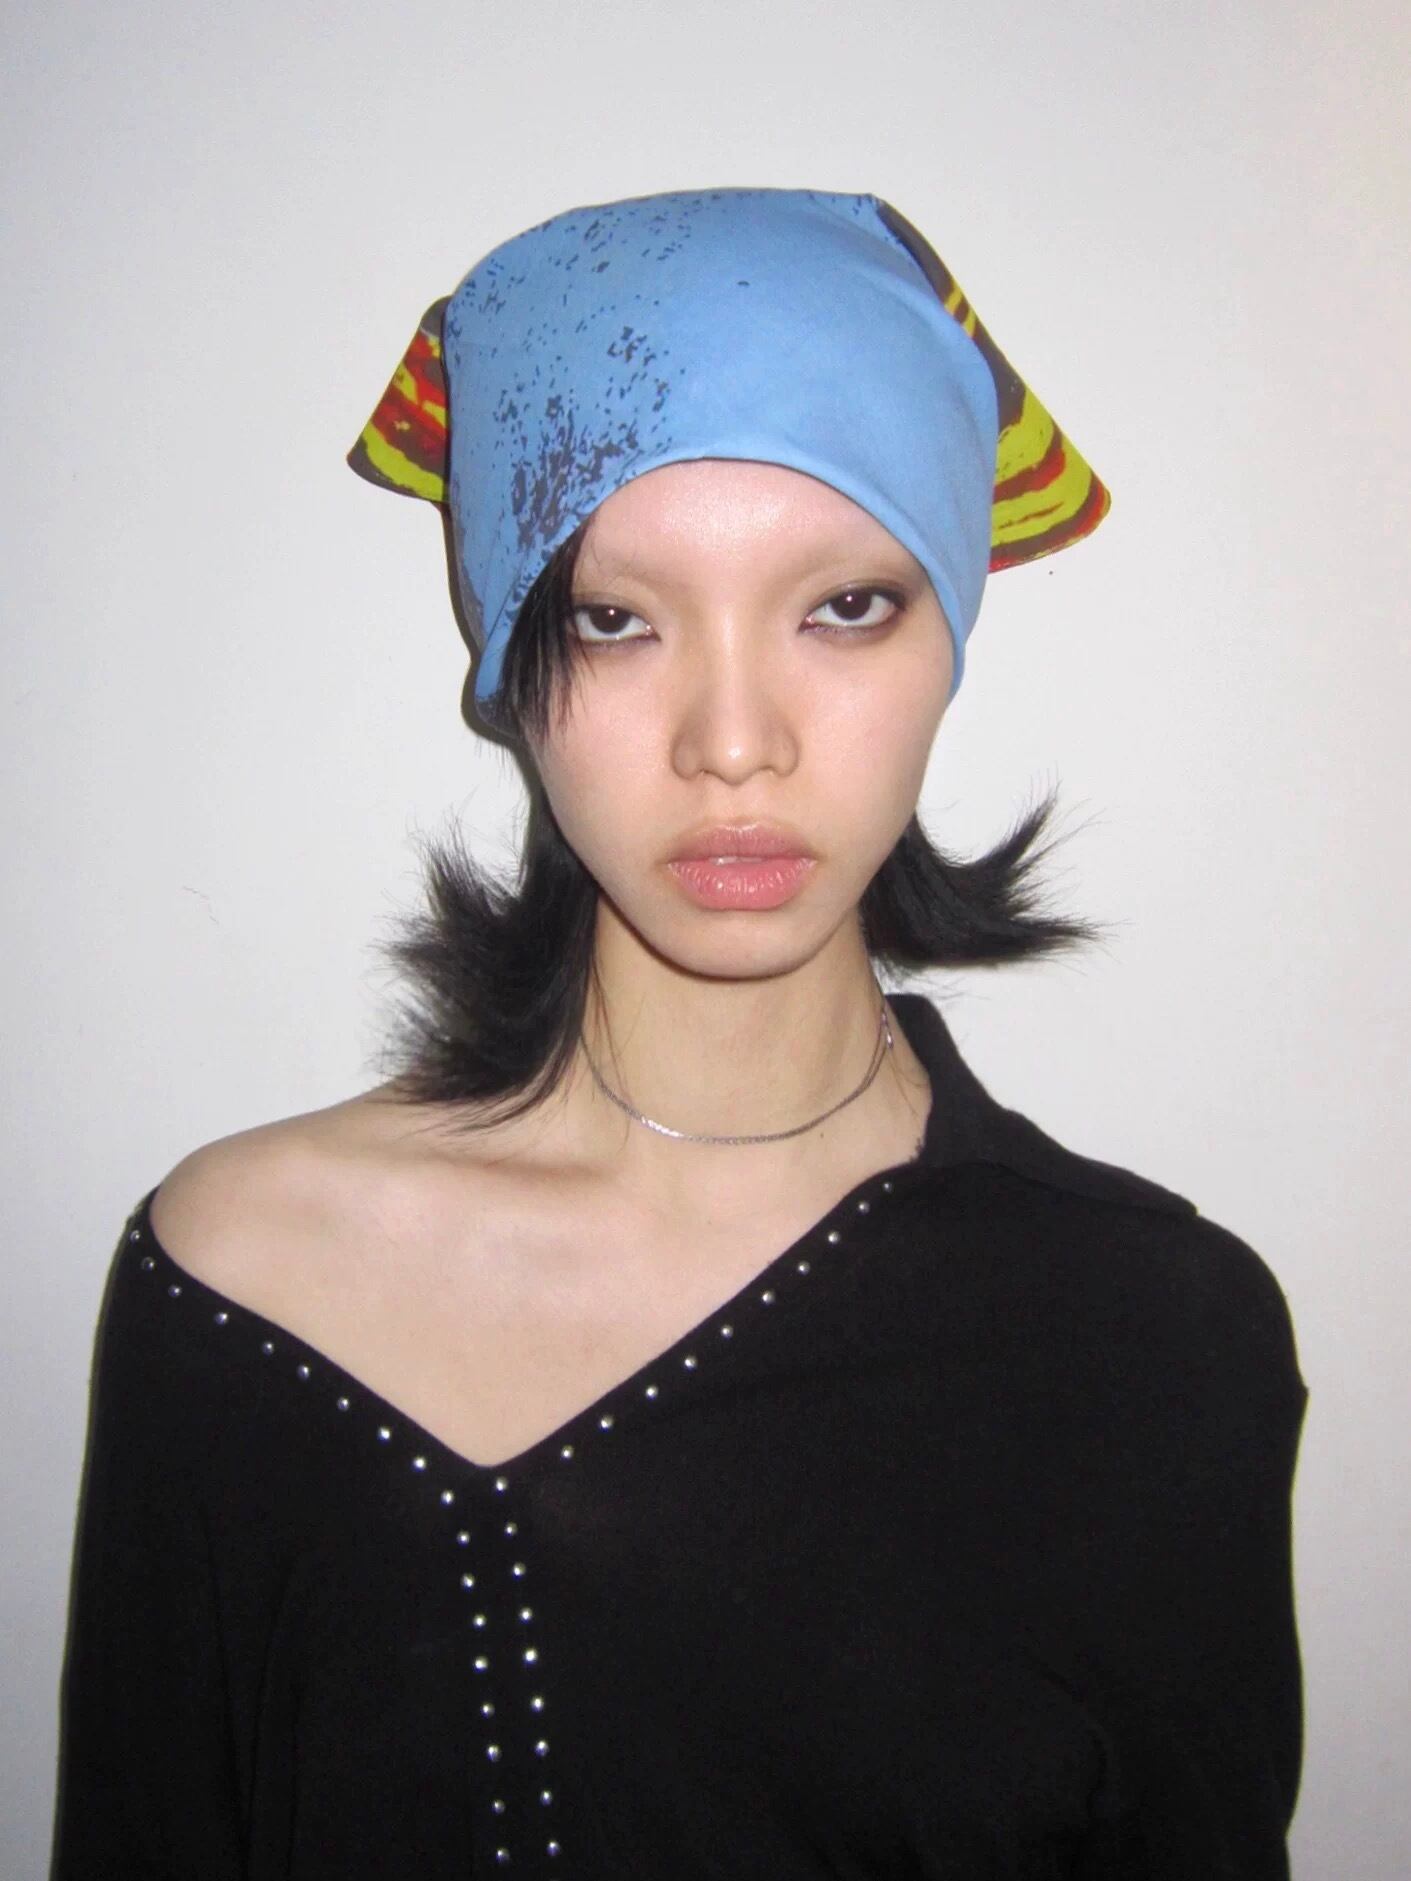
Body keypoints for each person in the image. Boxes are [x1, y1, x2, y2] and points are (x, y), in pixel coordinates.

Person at [51, 187, 1306, 1878]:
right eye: (616, 617)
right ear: (512, 660)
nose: (733, 740)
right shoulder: (239, 1284)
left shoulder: (1158, 1342)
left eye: (845, 605)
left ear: (952, 635)